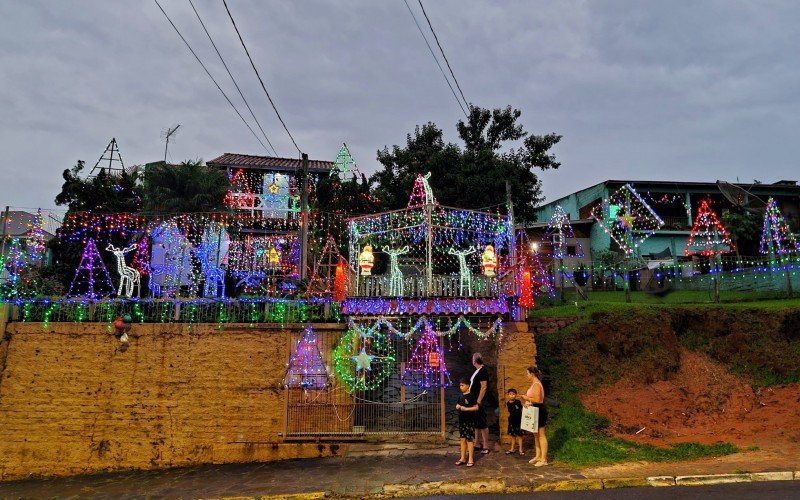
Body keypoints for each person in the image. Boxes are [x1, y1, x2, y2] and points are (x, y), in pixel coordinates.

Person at [520, 366, 549, 466]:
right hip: (534, 409)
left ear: (532, 374)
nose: (526, 375)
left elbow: (537, 399)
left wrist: (525, 397)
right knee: (535, 435)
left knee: (541, 435)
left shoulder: (536, 384)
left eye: (527, 373)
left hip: (539, 410)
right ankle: (538, 456)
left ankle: (544, 459)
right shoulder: (534, 384)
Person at [469, 352, 490, 454]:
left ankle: (486, 445)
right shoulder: (478, 370)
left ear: (475, 361)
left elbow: (484, 387)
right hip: (474, 401)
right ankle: (476, 443)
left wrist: (479, 401)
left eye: (473, 359)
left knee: (482, 423)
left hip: (479, 401)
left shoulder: (483, 371)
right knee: (476, 423)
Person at [455, 378, 479, 467]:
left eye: (462, 385)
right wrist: (457, 406)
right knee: (462, 439)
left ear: (468, 386)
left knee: (469, 440)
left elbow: (476, 407)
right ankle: (462, 458)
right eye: (460, 385)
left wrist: (466, 409)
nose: (461, 387)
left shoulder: (471, 396)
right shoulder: (460, 396)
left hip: (469, 421)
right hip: (462, 421)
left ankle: (471, 459)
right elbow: (458, 404)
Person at [505, 388, 524, 455]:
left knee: (520, 436)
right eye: (510, 394)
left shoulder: (518, 402)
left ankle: (520, 449)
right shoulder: (508, 403)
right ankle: (512, 449)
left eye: (513, 394)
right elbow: (511, 411)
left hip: (518, 421)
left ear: (516, 395)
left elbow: (521, 409)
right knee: (513, 436)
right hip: (512, 421)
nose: (512, 395)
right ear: (508, 395)